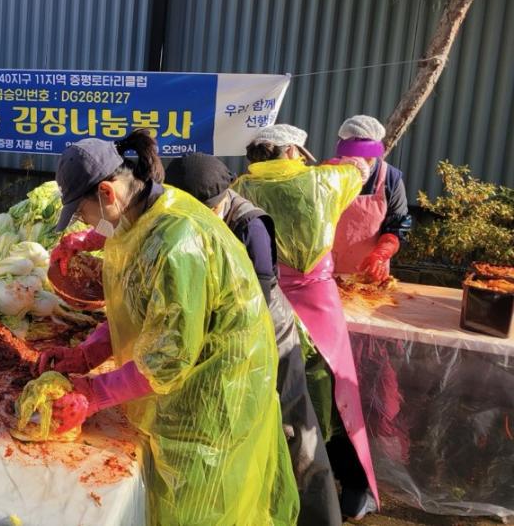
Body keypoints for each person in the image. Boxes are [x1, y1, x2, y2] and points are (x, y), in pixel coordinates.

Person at [38, 131, 299, 526]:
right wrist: (87, 353)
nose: (84, 222)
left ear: (107, 193)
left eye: (82, 211)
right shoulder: (132, 222)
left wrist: (92, 393)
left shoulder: (176, 239)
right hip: (181, 387)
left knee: (201, 507)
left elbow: (167, 358)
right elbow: (133, 309)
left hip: (214, 393)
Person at [164, 152, 342, 526]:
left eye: (205, 212)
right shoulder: (182, 217)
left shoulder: (250, 226)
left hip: (266, 331)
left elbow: (251, 301)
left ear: (222, 200)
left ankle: (319, 516)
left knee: (295, 427)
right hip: (220, 332)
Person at [232, 123, 379, 520]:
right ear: (294, 152)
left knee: (277, 395)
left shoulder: (241, 189)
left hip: (266, 302)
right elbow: (364, 164)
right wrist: (354, 142)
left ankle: (287, 484)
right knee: (333, 391)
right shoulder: (324, 182)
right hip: (318, 302)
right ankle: (347, 487)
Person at [330, 115, 412, 281]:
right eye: (352, 151)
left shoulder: (390, 179)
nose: (357, 159)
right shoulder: (328, 172)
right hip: (327, 273)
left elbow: (397, 226)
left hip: (369, 274)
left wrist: (381, 255)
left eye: (364, 152)